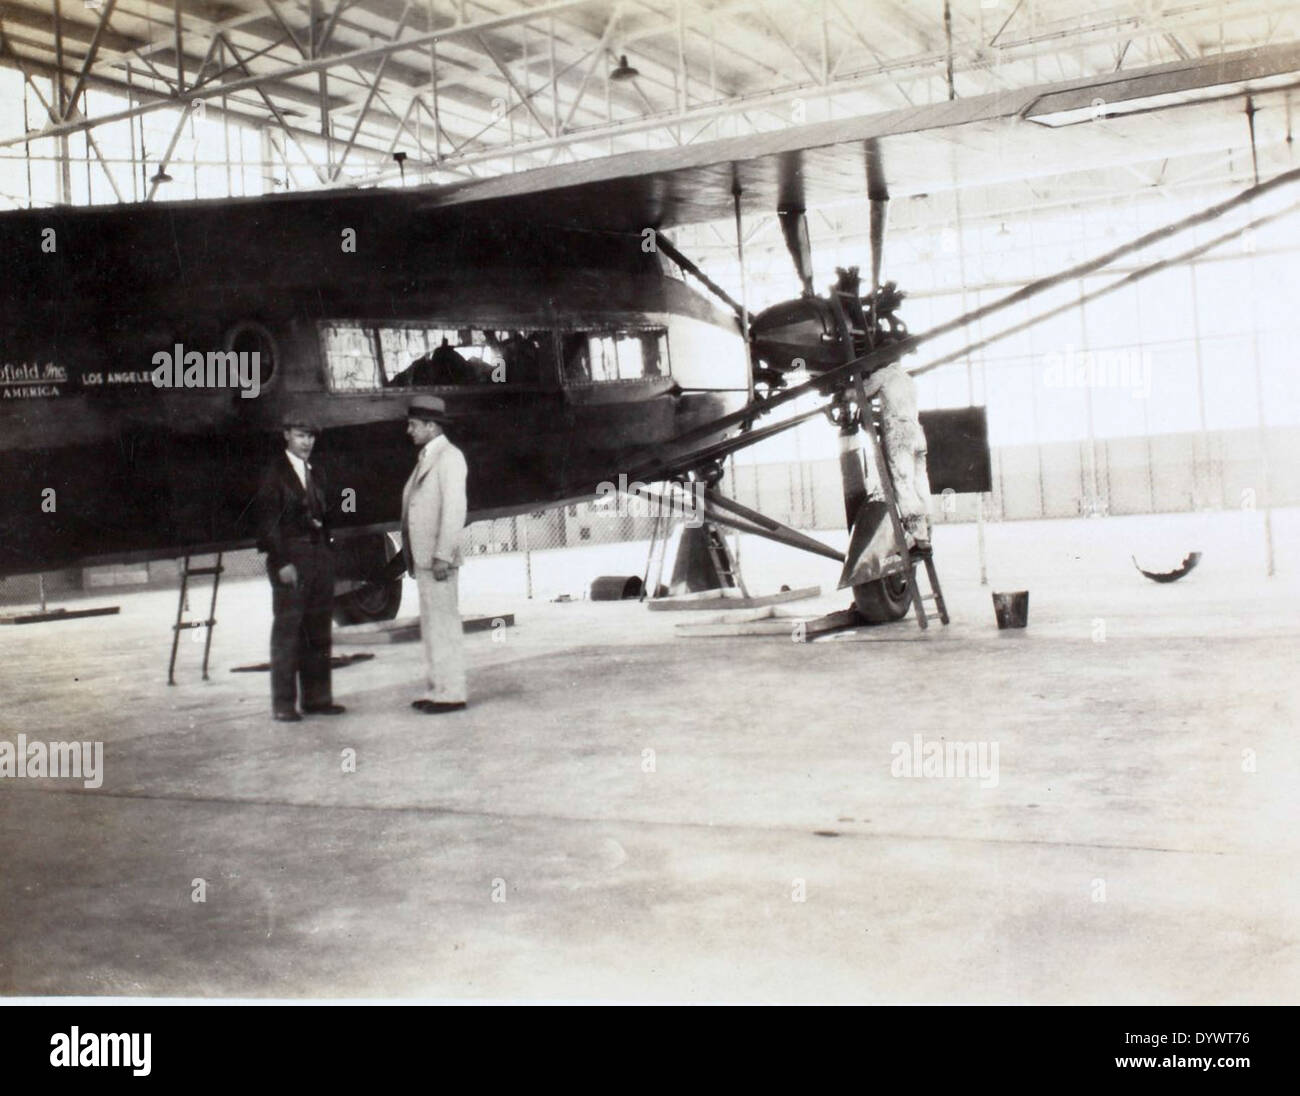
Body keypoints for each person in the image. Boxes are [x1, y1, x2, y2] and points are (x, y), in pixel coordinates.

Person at [255, 412, 345, 722]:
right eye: (300, 435)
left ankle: (318, 699)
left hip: (318, 556)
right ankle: (283, 705)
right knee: (288, 632)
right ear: (286, 435)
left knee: (318, 630)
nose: (307, 442)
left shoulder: (315, 472)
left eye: (311, 436)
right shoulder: (274, 473)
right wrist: (281, 562)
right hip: (291, 558)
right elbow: (268, 523)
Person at [402, 395, 469, 713]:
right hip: (425, 558)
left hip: (438, 559)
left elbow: (455, 510)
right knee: (432, 627)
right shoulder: (428, 457)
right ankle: (437, 689)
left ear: (431, 426)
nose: (408, 430)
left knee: (443, 626)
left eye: (413, 424)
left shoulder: (449, 458)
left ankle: (452, 693)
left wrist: (443, 554)